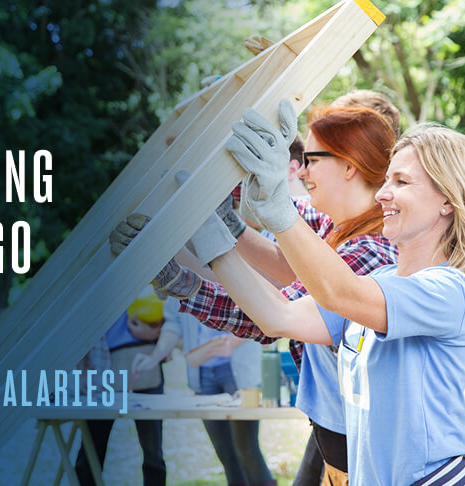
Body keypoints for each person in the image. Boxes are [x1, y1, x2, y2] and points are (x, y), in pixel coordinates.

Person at [212, 104, 465, 484]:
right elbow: (278, 316)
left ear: (447, 201)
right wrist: (212, 239)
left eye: (402, 182)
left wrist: (278, 207)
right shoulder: (384, 279)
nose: (384, 194)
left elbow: (339, 292)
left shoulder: (450, 292)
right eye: (387, 180)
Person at [111, 105, 399, 486]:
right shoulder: (338, 229)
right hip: (342, 447)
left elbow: (274, 314)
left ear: (349, 167)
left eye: (311, 160)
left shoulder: (370, 254)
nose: (303, 171)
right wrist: (230, 220)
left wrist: (183, 280)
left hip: (365, 458)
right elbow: (286, 266)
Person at [132, 298, 275, 486]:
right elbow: (173, 324)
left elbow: (260, 316)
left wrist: (232, 342)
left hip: (239, 373)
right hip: (202, 375)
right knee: (224, 452)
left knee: (247, 450)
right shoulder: (178, 277)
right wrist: (153, 358)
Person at [74, 308, 167, 486]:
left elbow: (172, 321)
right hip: (100, 370)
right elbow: (79, 328)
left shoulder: (146, 282)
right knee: (92, 449)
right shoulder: (92, 289)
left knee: (153, 451)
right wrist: (82, 371)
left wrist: (155, 332)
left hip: (144, 368)